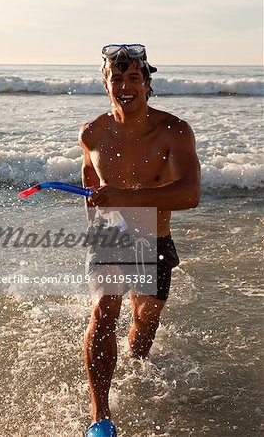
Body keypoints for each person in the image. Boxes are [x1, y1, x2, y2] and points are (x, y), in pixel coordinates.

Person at [78, 44, 201, 437]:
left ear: (147, 85)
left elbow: (189, 194)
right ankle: (100, 416)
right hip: (111, 236)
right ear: (105, 84)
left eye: (134, 78)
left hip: (155, 236)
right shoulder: (92, 132)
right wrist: (96, 227)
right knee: (103, 313)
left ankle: (134, 365)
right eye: (117, 78)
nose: (125, 86)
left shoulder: (173, 130)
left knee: (144, 324)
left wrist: (125, 197)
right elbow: (89, 179)